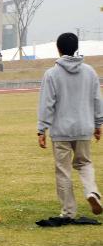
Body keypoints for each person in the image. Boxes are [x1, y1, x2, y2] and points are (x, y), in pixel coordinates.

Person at [37, 32, 103, 218]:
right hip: (84, 127)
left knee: (63, 170)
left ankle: (68, 211)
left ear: (58, 49)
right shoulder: (90, 72)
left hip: (61, 131)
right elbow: (97, 100)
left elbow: (47, 103)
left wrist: (41, 129)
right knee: (84, 163)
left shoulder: (51, 74)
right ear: (76, 48)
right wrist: (98, 123)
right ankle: (91, 191)